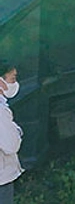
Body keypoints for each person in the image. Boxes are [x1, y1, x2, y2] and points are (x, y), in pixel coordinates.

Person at [0, 61, 22, 204]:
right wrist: (17, 131)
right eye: (12, 79)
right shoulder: (0, 111)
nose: (15, 83)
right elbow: (11, 145)